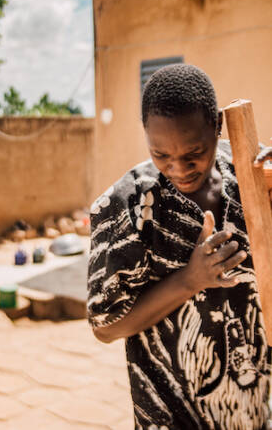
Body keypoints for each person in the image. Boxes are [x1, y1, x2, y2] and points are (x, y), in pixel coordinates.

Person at [87, 64, 271, 430]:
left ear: (217, 128)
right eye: (160, 155)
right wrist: (190, 279)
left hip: (257, 408)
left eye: (194, 153)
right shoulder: (128, 208)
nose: (179, 167)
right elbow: (104, 328)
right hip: (174, 417)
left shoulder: (252, 175)